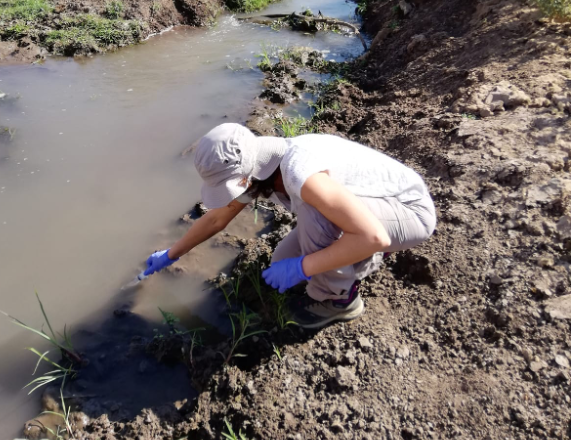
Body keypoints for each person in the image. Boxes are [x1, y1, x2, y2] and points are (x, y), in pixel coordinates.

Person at [144, 123, 437, 329]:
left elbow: (374, 234)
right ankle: (356, 255)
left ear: (243, 176)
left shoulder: (300, 173)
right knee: (282, 260)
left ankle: (339, 301)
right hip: (370, 210)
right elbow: (217, 218)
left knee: (315, 215)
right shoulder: (260, 165)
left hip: (409, 211)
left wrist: (303, 268)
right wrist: (172, 253)